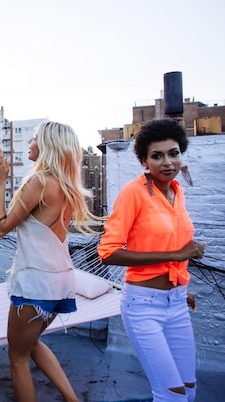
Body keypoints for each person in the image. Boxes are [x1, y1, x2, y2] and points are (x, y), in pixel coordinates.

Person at [0, 121, 101, 402]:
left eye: (35, 138)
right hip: (61, 280)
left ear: (48, 145)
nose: (30, 141)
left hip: (36, 283)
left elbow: (1, 228)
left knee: (17, 358)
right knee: (32, 344)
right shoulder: (67, 187)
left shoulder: (39, 182)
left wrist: (0, 181)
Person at [98, 118, 206, 402]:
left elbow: (168, 241)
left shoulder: (176, 192)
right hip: (143, 306)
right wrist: (177, 255)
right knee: (172, 394)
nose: (167, 162)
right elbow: (107, 252)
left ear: (181, 154)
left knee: (189, 390)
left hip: (178, 302)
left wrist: (180, 282)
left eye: (173, 153)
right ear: (145, 161)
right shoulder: (134, 193)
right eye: (156, 156)